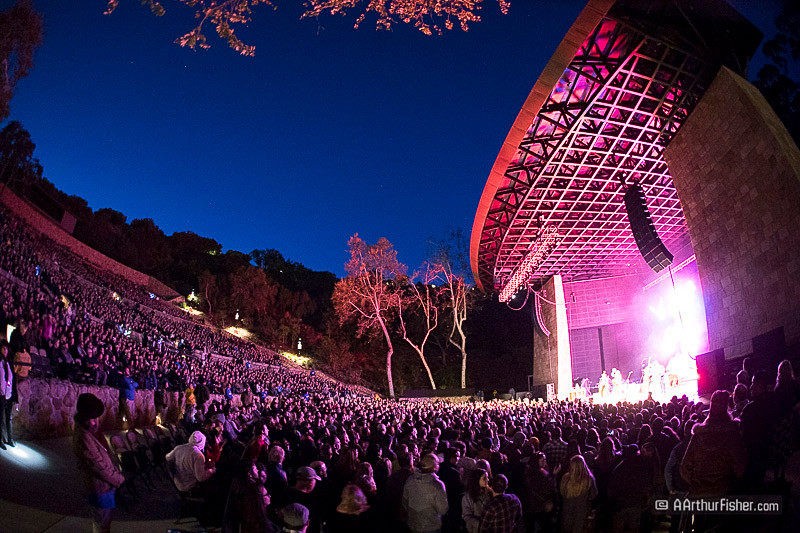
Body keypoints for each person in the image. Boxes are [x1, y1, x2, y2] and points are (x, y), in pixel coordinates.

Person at [73, 393, 126, 533]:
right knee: (101, 524)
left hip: (105, 486)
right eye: (91, 418)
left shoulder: (91, 432)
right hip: (100, 488)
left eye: (96, 418)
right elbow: (100, 467)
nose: (94, 422)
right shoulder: (84, 439)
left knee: (104, 522)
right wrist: (119, 479)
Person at [680, 390, 746, 497]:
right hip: (725, 494)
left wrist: (697, 483)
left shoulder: (699, 435)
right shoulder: (732, 433)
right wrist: (730, 482)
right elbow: (741, 466)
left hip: (700, 496)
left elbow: (684, 468)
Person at [403, 453, 448, 533]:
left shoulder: (410, 480)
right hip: (431, 527)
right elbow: (443, 510)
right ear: (434, 467)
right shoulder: (437, 485)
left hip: (413, 525)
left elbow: (405, 502)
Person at [559, 455, 597, 533]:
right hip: (582, 514)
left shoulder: (565, 478)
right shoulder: (588, 479)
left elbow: (561, 493)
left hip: (567, 513)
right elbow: (594, 495)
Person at [462, 467, 491, 533]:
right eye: (484, 478)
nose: (488, 480)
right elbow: (466, 515)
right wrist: (480, 524)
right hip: (475, 529)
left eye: (487, 477)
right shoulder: (468, 497)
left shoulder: (489, 493)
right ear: (477, 480)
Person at [0, 341, 14, 449]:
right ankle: (1, 439)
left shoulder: (9, 362)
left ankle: (10, 438)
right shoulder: (0, 362)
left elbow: (12, 379)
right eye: (3, 348)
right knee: (1, 418)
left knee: (8, 418)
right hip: (1, 394)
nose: (5, 350)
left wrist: (15, 397)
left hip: (8, 395)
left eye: (6, 349)